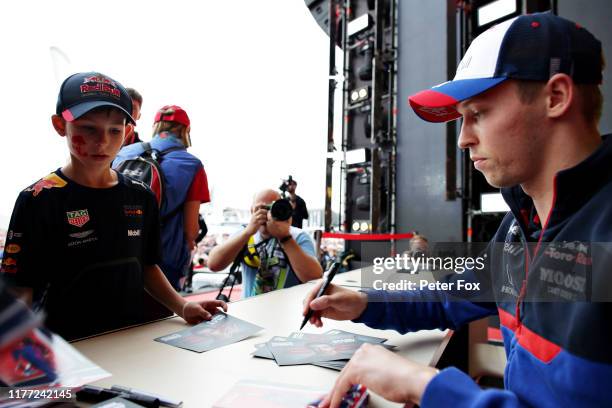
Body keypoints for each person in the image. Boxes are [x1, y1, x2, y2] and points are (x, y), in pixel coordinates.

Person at [304, 12, 612, 407]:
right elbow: (450, 295)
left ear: (556, 97)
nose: (464, 139)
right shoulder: (521, 227)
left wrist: (425, 386)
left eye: (478, 114)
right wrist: (365, 301)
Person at [0, 72, 226, 341]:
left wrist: (183, 306)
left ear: (128, 132)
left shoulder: (140, 195)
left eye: (115, 130)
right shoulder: (38, 198)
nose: (103, 141)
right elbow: (20, 288)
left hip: (130, 338)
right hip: (65, 346)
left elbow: (147, 267)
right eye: (88, 128)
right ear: (60, 125)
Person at [114, 105, 211, 290]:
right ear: (186, 130)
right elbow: (191, 229)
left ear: (156, 126)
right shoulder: (192, 164)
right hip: (165, 258)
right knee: (161, 316)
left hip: (120, 251)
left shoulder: (123, 153)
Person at [208, 189, 322, 297]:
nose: (268, 214)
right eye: (262, 208)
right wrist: (247, 233)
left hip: (288, 312)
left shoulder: (298, 236)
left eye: (272, 208)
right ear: (252, 210)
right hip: (249, 308)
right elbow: (214, 264)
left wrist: (285, 237)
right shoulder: (244, 234)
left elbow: (314, 277)